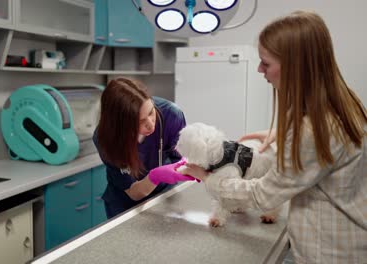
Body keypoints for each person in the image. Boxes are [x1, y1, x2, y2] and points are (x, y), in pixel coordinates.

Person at [179, 11, 367, 263]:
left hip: (327, 252)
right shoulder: (345, 102)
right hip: (349, 238)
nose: (259, 69)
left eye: (266, 63)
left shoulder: (310, 130)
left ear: (295, 66)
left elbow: (263, 194)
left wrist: (206, 177)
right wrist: (279, 134)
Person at [93, 77, 194, 218]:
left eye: (151, 112)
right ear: (121, 125)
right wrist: (155, 177)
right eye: (140, 121)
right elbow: (134, 193)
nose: (151, 124)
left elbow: (182, 160)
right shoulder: (105, 138)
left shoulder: (171, 115)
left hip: (163, 197)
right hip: (125, 205)